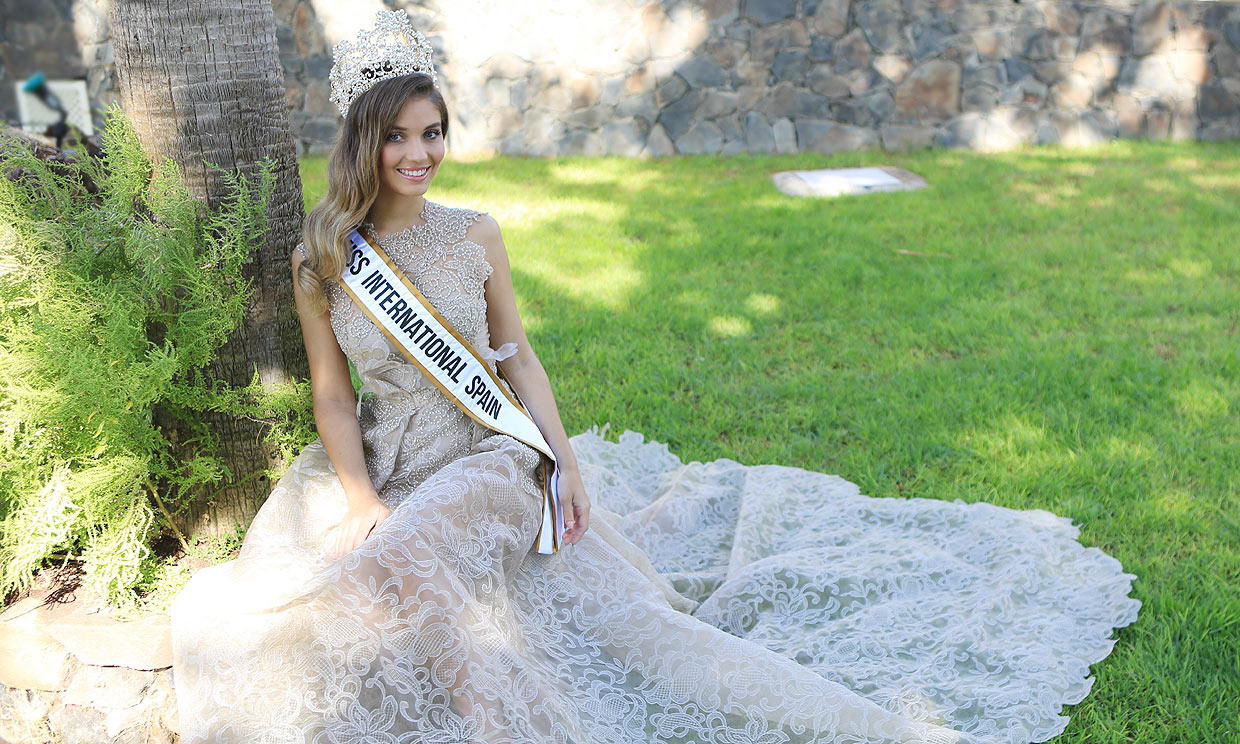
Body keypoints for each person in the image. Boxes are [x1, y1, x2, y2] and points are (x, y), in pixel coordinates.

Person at [171, 11, 1140, 743]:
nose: (419, 153)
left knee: (415, 560)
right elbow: (333, 393)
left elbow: (518, 358)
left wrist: (563, 462)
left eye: (433, 133)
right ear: (363, 139)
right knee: (335, 590)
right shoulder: (326, 256)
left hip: (489, 452)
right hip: (388, 456)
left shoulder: (475, 235)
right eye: (399, 136)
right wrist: (351, 493)